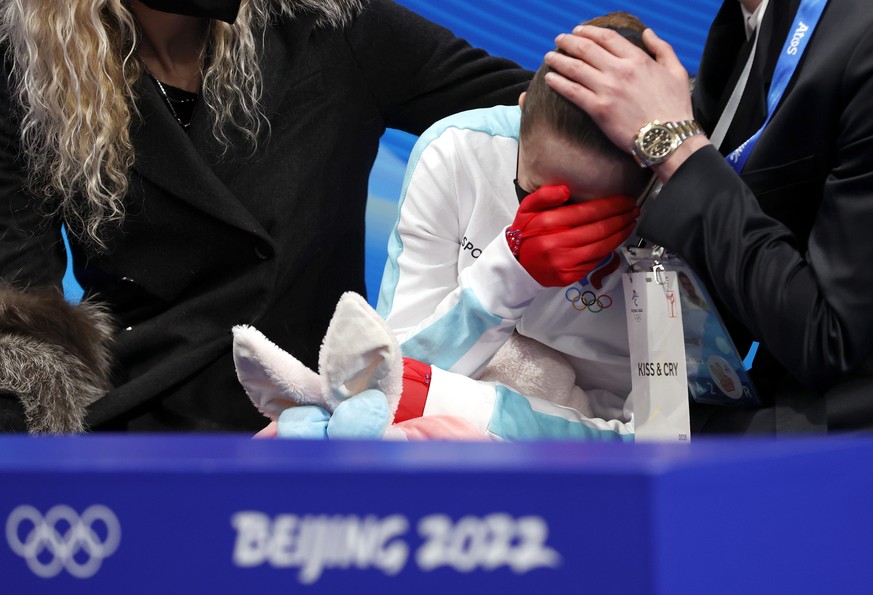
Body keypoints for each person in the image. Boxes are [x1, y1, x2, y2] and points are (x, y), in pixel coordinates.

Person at [0, 0, 532, 433]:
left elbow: (538, 113)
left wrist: (618, 121)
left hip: (316, 419)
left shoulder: (334, 25)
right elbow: (23, 309)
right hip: (142, 428)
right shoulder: (28, 69)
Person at [233, 12, 649, 441]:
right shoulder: (457, 152)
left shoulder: (686, 209)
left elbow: (658, 440)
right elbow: (390, 381)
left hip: (578, 452)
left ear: (648, 180)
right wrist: (510, 273)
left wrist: (470, 415)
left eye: (595, 212)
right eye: (536, 194)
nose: (561, 225)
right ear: (521, 110)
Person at [543, 0, 873, 432]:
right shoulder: (750, 21)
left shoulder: (857, 35)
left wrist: (673, 147)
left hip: (829, 431)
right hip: (748, 393)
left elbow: (831, 340)